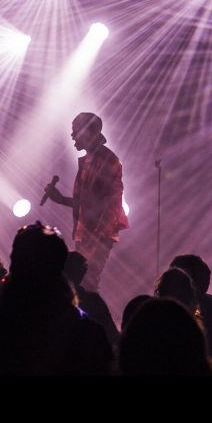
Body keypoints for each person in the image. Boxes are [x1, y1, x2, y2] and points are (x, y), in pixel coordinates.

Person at [44, 112, 129, 290]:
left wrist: (97, 236)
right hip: (86, 232)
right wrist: (60, 199)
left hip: (98, 233)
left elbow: (106, 203)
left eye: (76, 131)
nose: (72, 136)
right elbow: (85, 203)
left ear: (89, 132)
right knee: (79, 283)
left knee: (86, 283)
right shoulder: (89, 159)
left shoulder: (107, 160)